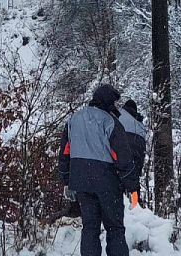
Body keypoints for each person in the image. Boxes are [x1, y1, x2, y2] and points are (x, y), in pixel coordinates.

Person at [58, 84, 139, 256]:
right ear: (108, 101)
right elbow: (123, 158)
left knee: (90, 227)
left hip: (81, 183)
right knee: (115, 228)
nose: (116, 106)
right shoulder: (110, 122)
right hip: (107, 183)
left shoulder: (74, 119)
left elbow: (65, 151)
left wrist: (66, 179)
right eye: (115, 102)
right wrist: (132, 186)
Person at [118, 99, 146, 207]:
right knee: (134, 180)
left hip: (124, 148)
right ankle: (135, 204)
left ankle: (120, 203)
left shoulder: (119, 115)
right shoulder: (139, 123)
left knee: (119, 178)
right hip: (138, 152)